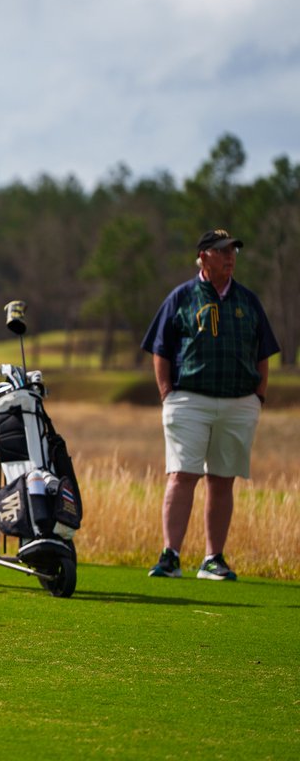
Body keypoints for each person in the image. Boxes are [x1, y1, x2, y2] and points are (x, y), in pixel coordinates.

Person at [142, 229, 279, 581]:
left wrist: (258, 396)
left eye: (232, 250)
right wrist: (166, 393)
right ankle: (171, 556)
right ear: (203, 256)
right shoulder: (182, 297)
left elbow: (263, 352)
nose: (230, 257)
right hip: (189, 399)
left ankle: (212, 559)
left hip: (238, 402)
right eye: (221, 251)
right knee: (182, 474)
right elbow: (160, 348)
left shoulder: (247, 300)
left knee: (222, 480)